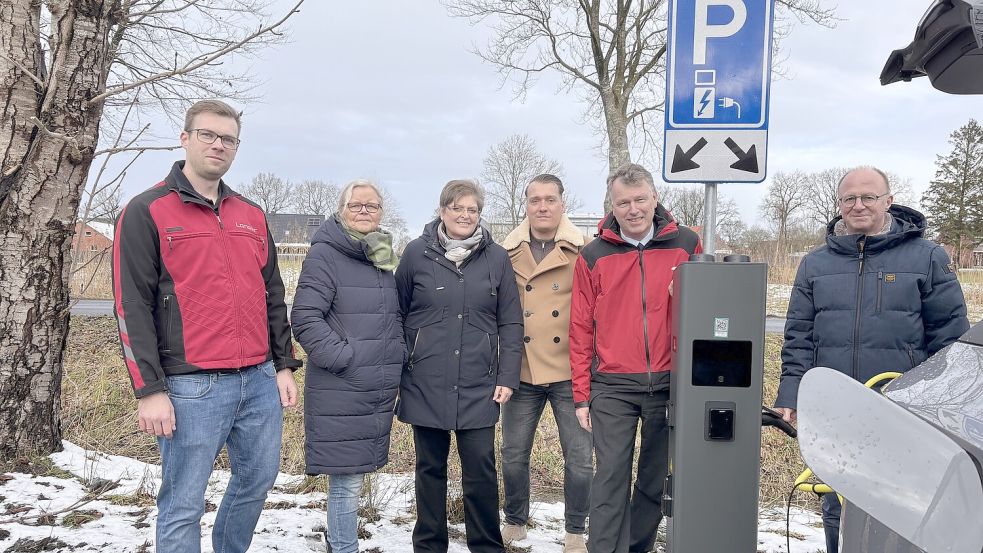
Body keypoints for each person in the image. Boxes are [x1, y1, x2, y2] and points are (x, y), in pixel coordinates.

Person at [111, 99, 301, 553]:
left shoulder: (251, 215)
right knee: (182, 503)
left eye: (228, 139)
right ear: (186, 138)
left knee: (258, 480)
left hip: (257, 380)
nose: (219, 145)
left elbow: (272, 294)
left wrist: (283, 364)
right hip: (190, 386)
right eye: (208, 135)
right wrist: (150, 389)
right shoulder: (147, 210)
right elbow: (130, 306)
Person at [775, 166, 969, 553]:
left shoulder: (926, 256)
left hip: (903, 411)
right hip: (836, 408)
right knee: (836, 501)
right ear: (839, 205)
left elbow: (950, 338)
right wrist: (791, 392)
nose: (858, 205)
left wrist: (938, 405)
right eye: (849, 198)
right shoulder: (815, 263)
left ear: (888, 201)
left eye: (868, 197)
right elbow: (799, 336)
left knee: (900, 509)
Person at [569, 163, 702, 553]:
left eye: (640, 199)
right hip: (612, 386)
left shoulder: (686, 244)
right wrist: (581, 393)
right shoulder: (593, 255)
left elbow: (703, 310)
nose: (633, 209)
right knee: (610, 476)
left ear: (654, 198)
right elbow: (580, 328)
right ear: (612, 205)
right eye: (623, 202)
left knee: (654, 478)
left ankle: (636, 546)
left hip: (668, 383)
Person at [394, 179, 523, 553]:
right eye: (457, 208)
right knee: (429, 469)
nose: (465, 215)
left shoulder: (496, 257)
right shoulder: (416, 254)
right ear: (442, 211)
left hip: (479, 383)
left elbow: (511, 321)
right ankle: (430, 545)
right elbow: (397, 313)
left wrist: (507, 375)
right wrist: (404, 367)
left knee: (481, 471)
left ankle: (485, 545)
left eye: (473, 210)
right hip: (424, 380)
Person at [291, 179, 406, 553]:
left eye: (372, 206)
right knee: (346, 479)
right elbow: (305, 317)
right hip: (344, 382)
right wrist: (345, 358)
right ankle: (343, 546)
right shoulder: (326, 254)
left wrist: (396, 354)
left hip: (376, 383)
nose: (364, 211)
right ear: (341, 210)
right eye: (356, 205)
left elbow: (391, 316)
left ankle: (341, 541)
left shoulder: (380, 255)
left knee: (355, 473)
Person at [499, 174, 591, 553]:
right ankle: (516, 521)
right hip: (521, 369)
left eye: (549, 199)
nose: (542, 206)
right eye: (534, 199)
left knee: (580, 457)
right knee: (513, 453)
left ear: (562, 204)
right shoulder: (505, 252)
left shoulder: (584, 250)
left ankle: (575, 531)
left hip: (570, 369)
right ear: (526, 204)